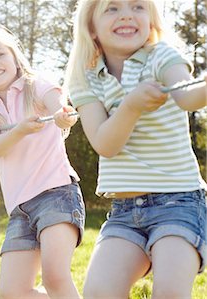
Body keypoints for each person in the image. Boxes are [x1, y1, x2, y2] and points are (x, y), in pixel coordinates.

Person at [65, 0, 207, 298]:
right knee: (98, 292)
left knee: (169, 291)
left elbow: (188, 97)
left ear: (152, 21)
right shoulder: (86, 77)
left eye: (138, 6)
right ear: (91, 27)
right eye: (112, 8)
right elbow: (106, 143)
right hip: (125, 212)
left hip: (179, 204)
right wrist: (130, 106)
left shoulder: (162, 56)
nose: (127, 14)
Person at [0, 27, 85, 299]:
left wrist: (62, 115)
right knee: (12, 293)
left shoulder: (34, 84)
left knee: (55, 277)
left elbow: (60, 106)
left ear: (15, 58)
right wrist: (20, 129)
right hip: (20, 209)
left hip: (57, 194)